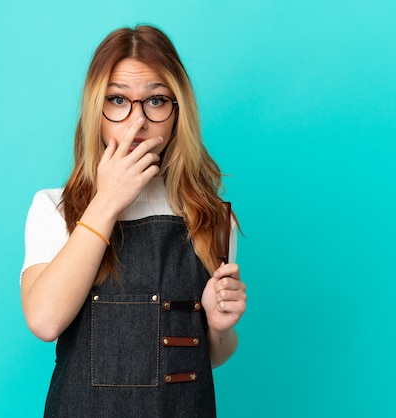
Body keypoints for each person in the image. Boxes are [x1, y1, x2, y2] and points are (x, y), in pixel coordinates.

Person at [20, 24, 247, 417]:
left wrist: (217, 325)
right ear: (97, 110)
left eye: (156, 100)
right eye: (118, 99)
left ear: (178, 112)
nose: (137, 121)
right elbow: (44, 320)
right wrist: (107, 201)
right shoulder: (54, 208)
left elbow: (211, 356)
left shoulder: (212, 216)